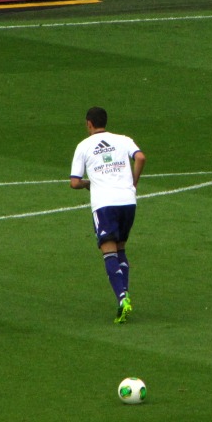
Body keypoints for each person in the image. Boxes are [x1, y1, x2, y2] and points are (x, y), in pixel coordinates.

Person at [70, 107, 146, 324]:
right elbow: (140, 157)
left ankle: (122, 299)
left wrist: (88, 183)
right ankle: (125, 295)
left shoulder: (84, 146)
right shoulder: (123, 139)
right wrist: (133, 182)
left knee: (109, 251)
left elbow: (74, 182)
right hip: (128, 202)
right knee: (121, 247)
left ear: (88, 124)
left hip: (105, 204)